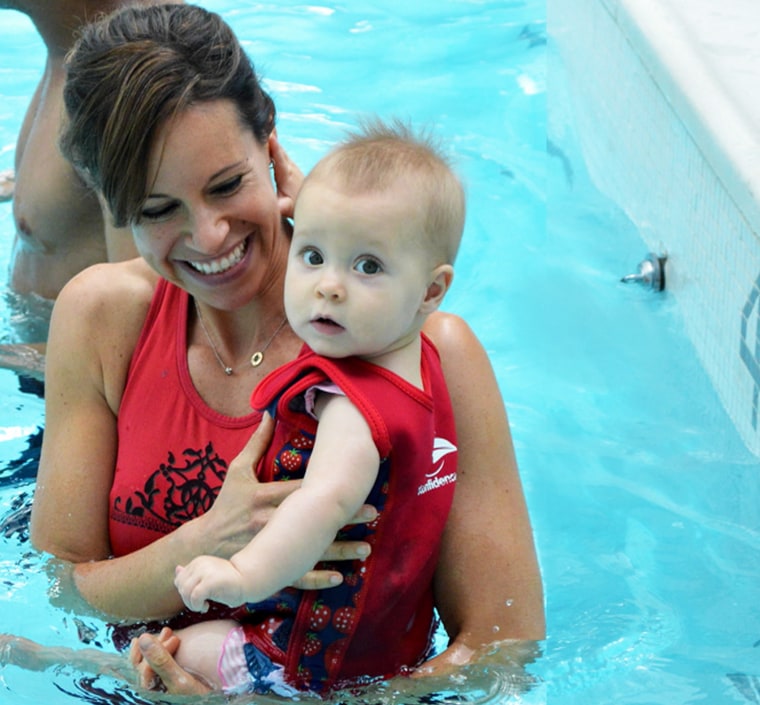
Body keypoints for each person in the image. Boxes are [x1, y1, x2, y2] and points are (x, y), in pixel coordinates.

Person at [27, 2, 544, 696]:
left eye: (227, 185)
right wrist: (203, 543)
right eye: (159, 210)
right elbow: (63, 583)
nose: (210, 236)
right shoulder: (101, 318)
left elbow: (499, 652)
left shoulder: (425, 356)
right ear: (114, 210)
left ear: (270, 143)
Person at [166, 119, 462, 694]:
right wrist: (336, 223)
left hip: (303, 664)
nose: (329, 286)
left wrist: (240, 574)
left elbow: (322, 502)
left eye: (367, 266)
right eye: (313, 255)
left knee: (183, 649)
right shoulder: (417, 365)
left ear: (430, 292)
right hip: (388, 647)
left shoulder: (352, 411)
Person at [0, 0, 182, 377]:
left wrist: (6, 356)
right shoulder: (73, 44)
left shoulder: (124, 83)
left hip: (78, 400)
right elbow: (75, 183)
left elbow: (142, 342)